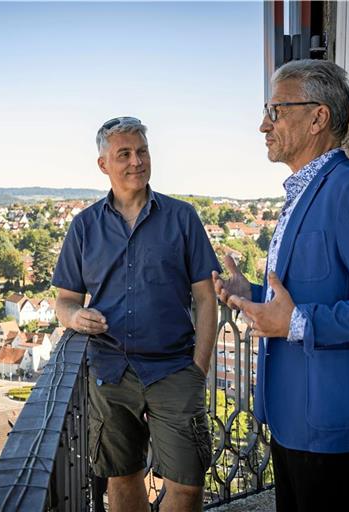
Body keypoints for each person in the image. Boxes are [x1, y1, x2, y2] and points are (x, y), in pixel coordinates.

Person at [213, 59, 349, 512]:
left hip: (334, 425)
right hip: (295, 417)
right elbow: (309, 291)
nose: (263, 124)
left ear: (318, 117)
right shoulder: (305, 190)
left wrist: (297, 321)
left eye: (276, 111)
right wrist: (250, 294)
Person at [52, 117, 220, 512]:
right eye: (124, 154)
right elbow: (65, 299)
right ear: (103, 165)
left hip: (175, 370)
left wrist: (199, 369)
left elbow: (207, 299)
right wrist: (75, 317)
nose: (136, 162)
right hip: (111, 372)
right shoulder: (84, 226)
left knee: (188, 484)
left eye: (142, 151)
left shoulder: (182, 217)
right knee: (122, 478)